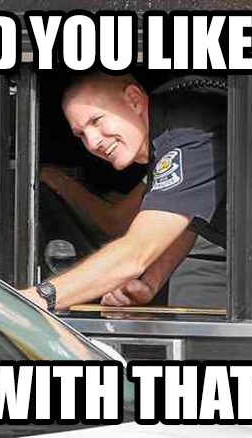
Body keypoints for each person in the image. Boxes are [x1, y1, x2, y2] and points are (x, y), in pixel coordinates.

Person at [22, 72, 227, 312]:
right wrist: (151, 281)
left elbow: (134, 253)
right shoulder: (166, 133)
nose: (92, 142)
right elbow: (187, 217)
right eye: (81, 135)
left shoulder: (188, 132)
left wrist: (35, 300)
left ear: (134, 100)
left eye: (96, 121)